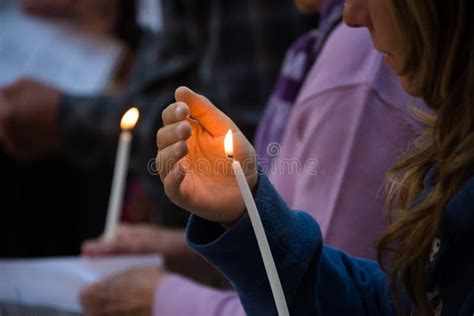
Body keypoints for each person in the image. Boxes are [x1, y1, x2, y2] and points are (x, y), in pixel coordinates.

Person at [156, 0, 474, 314]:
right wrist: (247, 214)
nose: (353, 16)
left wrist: (160, 297)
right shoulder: (459, 146)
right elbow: (397, 303)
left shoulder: (359, 66)